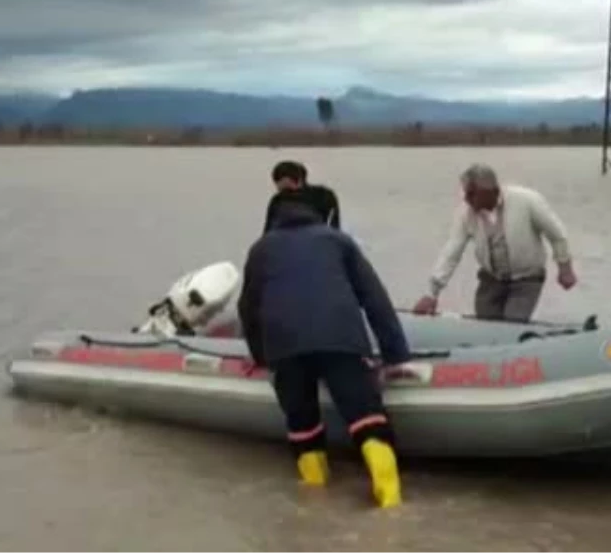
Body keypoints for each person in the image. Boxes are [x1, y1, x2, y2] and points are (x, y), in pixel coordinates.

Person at [238, 195, 412, 508]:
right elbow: (375, 298)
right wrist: (395, 354)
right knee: (368, 421)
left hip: (285, 345)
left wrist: (261, 357)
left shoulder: (260, 249)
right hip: (340, 339)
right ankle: (391, 504)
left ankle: (315, 502)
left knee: (303, 426)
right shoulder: (338, 241)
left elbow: (249, 309)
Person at [411, 163, 576, 322]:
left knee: (512, 323)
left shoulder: (527, 201)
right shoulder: (466, 214)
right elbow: (451, 252)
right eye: (466, 193)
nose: (467, 199)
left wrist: (565, 268)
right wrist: (432, 293)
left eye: (472, 194)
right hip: (491, 280)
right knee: (484, 325)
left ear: (493, 191)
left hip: (526, 280)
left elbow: (557, 234)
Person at [262, 160, 340, 232]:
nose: (286, 194)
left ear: (299, 181)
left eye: (287, 189)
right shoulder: (325, 194)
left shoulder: (323, 196)